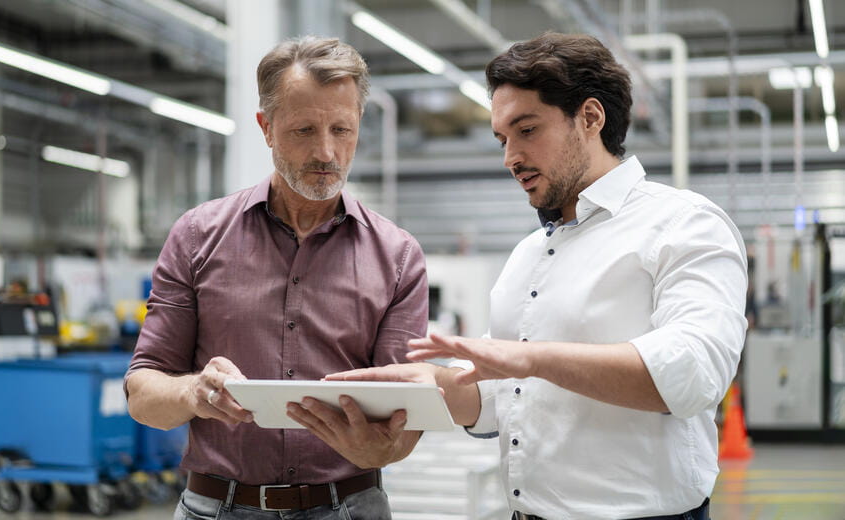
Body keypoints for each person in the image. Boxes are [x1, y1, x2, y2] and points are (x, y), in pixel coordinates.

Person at [329, 32, 747, 520]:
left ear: (590, 118)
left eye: (527, 130)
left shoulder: (684, 224)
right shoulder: (530, 254)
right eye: (503, 139)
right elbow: (501, 397)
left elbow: (693, 373)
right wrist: (431, 387)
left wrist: (528, 358)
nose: (510, 158)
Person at [125, 36, 428, 520]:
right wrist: (195, 394)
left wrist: (381, 448)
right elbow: (143, 394)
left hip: (347, 507)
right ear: (266, 128)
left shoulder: (397, 257)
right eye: (304, 130)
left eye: (341, 129)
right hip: (216, 507)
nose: (326, 151)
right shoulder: (197, 236)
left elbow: (403, 418)